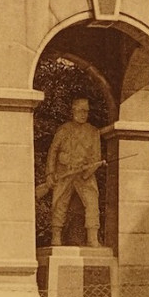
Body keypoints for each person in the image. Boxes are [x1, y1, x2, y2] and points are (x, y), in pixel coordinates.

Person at [45, 97, 104, 246]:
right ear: (73, 111)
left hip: (85, 174)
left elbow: (96, 156)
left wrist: (86, 172)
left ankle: (92, 237)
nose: (84, 114)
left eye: (86, 111)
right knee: (59, 203)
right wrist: (50, 173)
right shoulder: (64, 130)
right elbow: (53, 151)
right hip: (64, 173)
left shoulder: (93, 131)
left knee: (92, 202)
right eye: (81, 110)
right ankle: (56, 236)